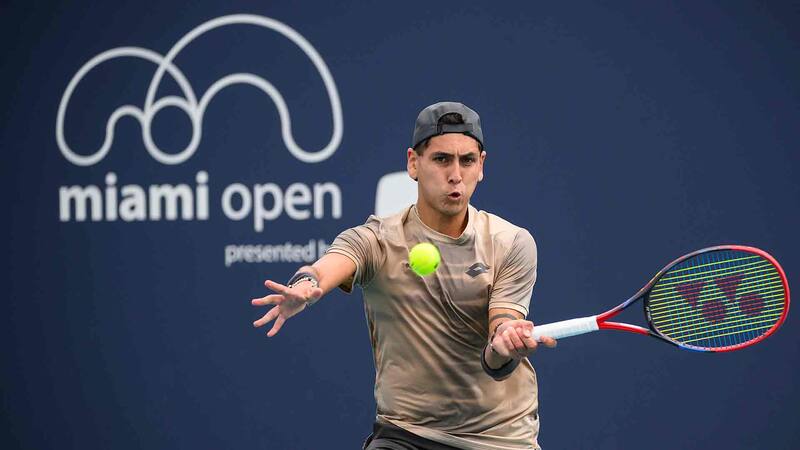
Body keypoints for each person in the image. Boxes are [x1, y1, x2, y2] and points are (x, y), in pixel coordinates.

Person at [252, 102, 557, 449]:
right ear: (414, 163)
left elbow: (497, 343)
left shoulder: (511, 242)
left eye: (467, 160)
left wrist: (505, 343)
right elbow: (326, 268)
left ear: (481, 166)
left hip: (499, 439)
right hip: (408, 434)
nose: (455, 174)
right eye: (442, 159)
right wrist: (305, 288)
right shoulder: (377, 240)